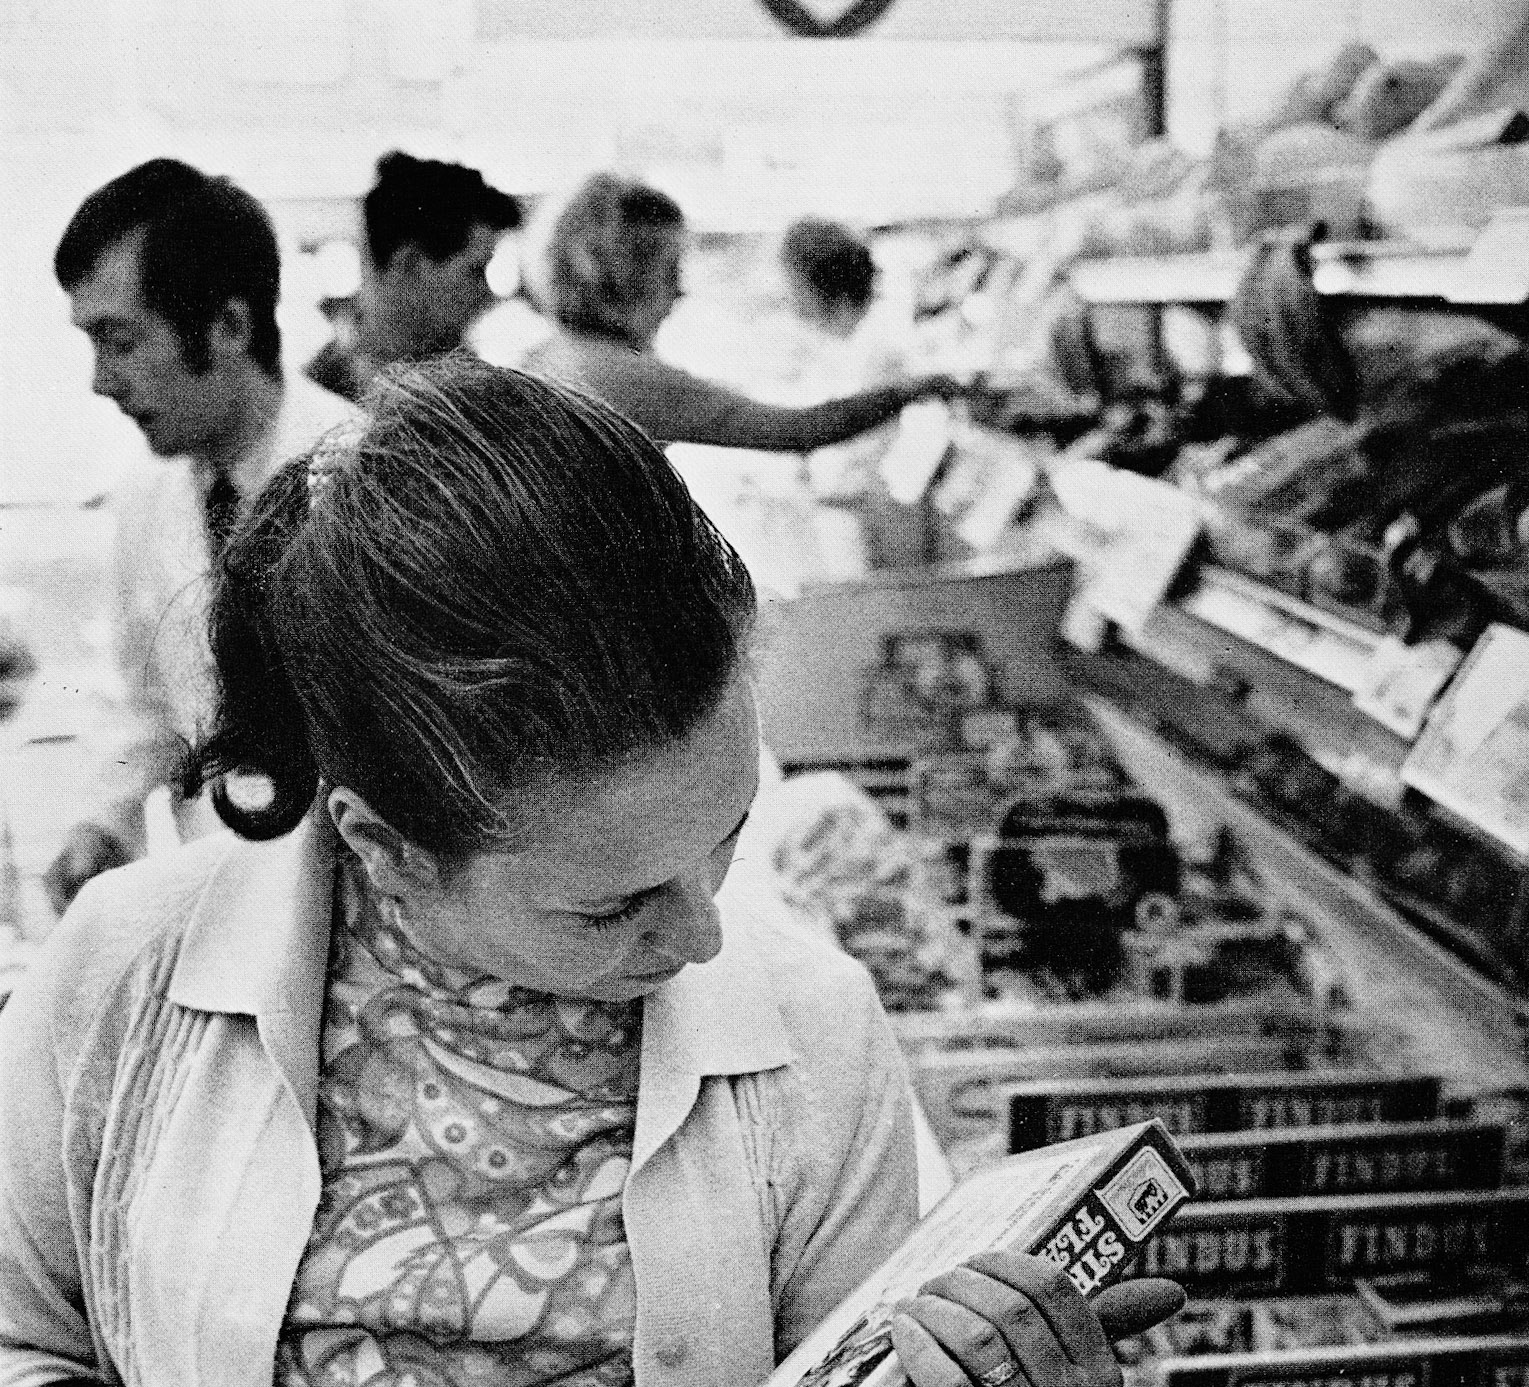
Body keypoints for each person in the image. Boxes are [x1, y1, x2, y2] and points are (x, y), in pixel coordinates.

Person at [0, 358, 1183, 1387]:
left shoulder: (805, 1031)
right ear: (382, 841)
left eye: (728, 841)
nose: (701, 934)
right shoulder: (131, 978)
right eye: (616, 897)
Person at [45, 158, 358, 912]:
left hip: (360, 902)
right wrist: (103, 824)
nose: (100, 382)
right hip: (218, 895)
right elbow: (151, 703)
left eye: (120, 342)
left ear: (228, 327)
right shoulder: (146, 495)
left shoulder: (366, 478)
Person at [526, 171, 967, 452]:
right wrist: (909, 391)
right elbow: (797, 430)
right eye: (668, 271)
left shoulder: (560, 356)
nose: (679, 292)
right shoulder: (612, 371)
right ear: (619, 277)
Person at [305, 150, 524, 402]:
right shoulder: (317, 396)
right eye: (476, 270)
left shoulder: (475, 380)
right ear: (410, 264)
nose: (489, 295)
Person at [778, 218, 880, 342]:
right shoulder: (862, 332)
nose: (799, 314)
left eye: (800, 299)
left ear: (842, 300)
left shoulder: (869, 343)